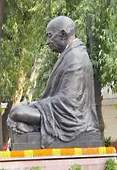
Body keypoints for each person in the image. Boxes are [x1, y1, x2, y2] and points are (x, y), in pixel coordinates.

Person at [6, 18, 102, 148]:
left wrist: (38, 106)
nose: (47, 42)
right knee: (18, 110)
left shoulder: (76, 57)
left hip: (70, 118)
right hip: (57, 111)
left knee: (17, 112)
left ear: (63, 34)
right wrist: (36, 105)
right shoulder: (69, 54)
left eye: (50, 36)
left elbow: (70, 101)